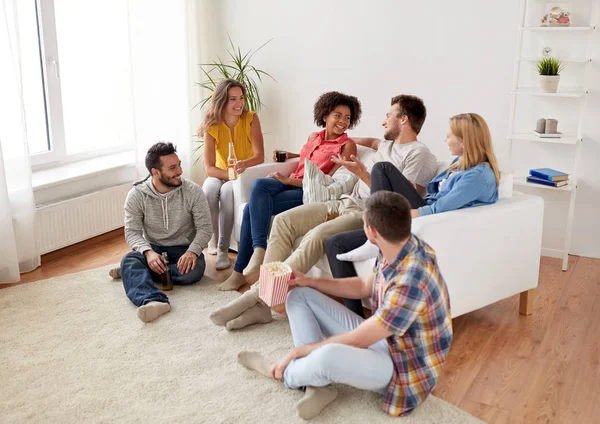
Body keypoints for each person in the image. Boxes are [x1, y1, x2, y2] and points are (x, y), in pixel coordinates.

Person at [209, 94, 438, 329]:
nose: (383, 121)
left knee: (317, 235)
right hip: (343, 201)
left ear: (404, 119)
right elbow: (363, 140)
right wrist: (325, 137)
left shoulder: (418, 154)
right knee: (283, 222)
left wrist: (361, 174)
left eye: (388, 115)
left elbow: (401, 202)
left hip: (366, 213)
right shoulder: (385, 144)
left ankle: (256, 296)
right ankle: (263, 306)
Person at [236, 191, 453, 419]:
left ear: (371, 231)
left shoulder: (411, 281)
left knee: (327, 356)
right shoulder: (400, 245)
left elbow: (359, 339)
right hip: (388, 340)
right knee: (299, 296)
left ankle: (281, 373)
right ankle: (315, 385)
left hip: (404, 367)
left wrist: (299, 351)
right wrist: (310, 281)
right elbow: (363, 286)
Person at [326, 112, 501, 314]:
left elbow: (436, 210)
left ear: (464, 140)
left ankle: (377, 234)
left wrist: (399, 215)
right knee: (334, 244)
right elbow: (432, 195)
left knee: (382, 168)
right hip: (422, 212)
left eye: (449, 136)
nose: (446, 140)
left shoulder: (479, 176)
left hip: (429, 223)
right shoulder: (459, 165)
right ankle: (354, 318)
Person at [216, 91, 362, 292]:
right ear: (325, 115)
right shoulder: (314, 137)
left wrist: (287, 180)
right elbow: (306, 157)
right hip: (293, 181)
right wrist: (288, 156)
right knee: (259, 185)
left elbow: (328, 183)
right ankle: (258, 251)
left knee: (251, 208)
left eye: (347, 118)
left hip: (308, 193)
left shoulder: (347, 146)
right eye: (338, 115)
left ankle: (241, 270)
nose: (343, 121)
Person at [110, 142, 212, 323]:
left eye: (179, 164)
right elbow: (132, 232)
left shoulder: (193, 191)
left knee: (195, 271)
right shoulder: (136, 195)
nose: (180, 170)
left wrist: (192, 251)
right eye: (173, 167)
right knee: (129, 259)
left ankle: (137, 273)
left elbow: (205, 228)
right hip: (153, 249)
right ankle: (153, 300)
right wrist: (148, 253)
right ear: (155, 172)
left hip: (182, 249)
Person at [200, 79, 265, 270]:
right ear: (222, 101)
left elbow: (259, 156)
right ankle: (211, 239)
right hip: (220, 173)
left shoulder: (251, 118)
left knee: (228, 191)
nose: (239, 103)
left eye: (241, 98)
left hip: (244, 173)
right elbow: (209, 167)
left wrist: (242, 165)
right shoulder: (212, 126)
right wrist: (228, 174)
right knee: (209, 189)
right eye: (233, 99)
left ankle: (222, 248)